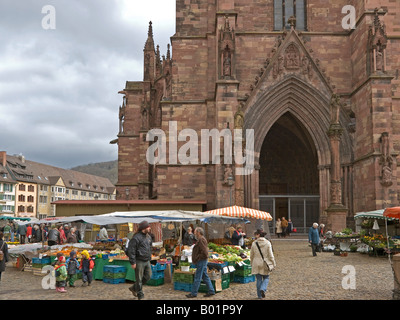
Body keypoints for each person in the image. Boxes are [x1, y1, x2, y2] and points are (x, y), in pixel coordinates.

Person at [186, 227, 216, 298]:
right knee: (205, 276)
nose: (194, 233)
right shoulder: (200, 239)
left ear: (198, 232)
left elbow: (205, 252)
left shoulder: (201, 239)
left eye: (195, 232)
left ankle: (193, 293)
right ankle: (211, 291)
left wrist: (198, 257)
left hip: (201, 261)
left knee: (198, 277)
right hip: (202, 260)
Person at [127, 220, 153, 300]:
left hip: (146, 260)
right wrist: (133, 262)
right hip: (139, 260)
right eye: (148, 227)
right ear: (143, 228)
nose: (149, 228)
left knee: (148, 276)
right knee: (139, 279)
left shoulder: (148, 236)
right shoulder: (136, 238)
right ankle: (140, 295)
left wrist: (149, 257)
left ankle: (134, 288)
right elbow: (131, 251)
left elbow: (149, 247)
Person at [250, 229, 276, 299]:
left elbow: (251, 255)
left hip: (256, 262)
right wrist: (273, 263)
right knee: (266, 277)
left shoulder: (254, 243)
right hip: (265, 263)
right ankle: (263, 288)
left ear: (258, 235)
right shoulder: (267, 243)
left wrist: (251, 263)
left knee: (258, 279)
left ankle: (259, 296)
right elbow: (271, 255)